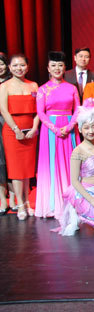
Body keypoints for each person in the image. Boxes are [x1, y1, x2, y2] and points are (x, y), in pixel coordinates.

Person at [55, 97, 94, 235]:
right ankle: (82, 215)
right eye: (87, 128)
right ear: (80, 129)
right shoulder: (78, 151)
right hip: (87, 193)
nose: (91, 131)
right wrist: (91, 200)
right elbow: (74, 181)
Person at [35, 51, 81, 219]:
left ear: (64, 67)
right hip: (50, 132)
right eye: (53, 65)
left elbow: (77, 109)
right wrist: (55, 129)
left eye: (60, 65)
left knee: (71, 164)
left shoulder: (72, 88)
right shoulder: (43, 89)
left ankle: (74, 203)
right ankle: (54, 205)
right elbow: (40, 112)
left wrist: (69, 127)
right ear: (48, 68)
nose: (57, 68)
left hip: (70, 130)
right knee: (52, 165)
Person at [0, 54, 39, 220]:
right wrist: (16, 129)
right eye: (15, 65)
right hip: (12, 132)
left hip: (30, 131)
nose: (19, 68)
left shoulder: (34, 85)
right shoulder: (5, 86)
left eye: (22, 65)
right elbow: (3, 110)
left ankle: (28, 202)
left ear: (27, 67)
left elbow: (38, 110)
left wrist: (35, 128)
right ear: (10, 67)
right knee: (16, 170)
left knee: (27, 169)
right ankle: (20, 204)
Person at [0, 52, 13, 215]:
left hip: (8, 123)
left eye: (2, 63)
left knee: (10, 160)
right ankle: (2, 199)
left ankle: (14, 196)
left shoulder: (12, 82)